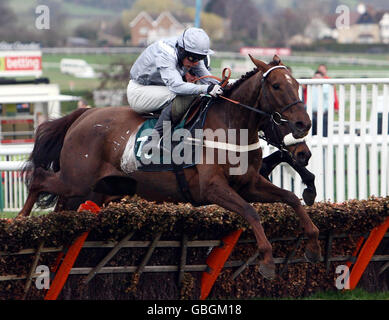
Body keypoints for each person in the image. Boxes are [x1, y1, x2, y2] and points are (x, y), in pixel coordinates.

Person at [127, 27, 222, 152]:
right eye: (193, 59)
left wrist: (225, 87)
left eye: (199, 59)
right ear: (182, 51)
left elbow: (208, 79)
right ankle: (152, 141)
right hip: (139, 91)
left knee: (197, 94)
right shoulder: (166, 53)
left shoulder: (190, 53)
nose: (195, 63)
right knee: (185, 95)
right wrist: (207, 88)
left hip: (158, 89)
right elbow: (176, 87)